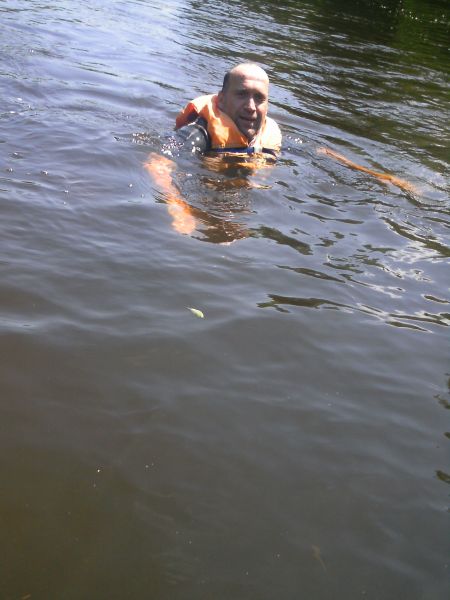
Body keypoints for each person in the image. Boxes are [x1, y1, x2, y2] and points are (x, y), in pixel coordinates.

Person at [145, 62, 416, 236]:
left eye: (259, 98)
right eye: (242, 94)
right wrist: (178, 207)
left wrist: (381, 177)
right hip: (208, 198)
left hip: (242, 209)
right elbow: (157, 163)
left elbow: (321, 152)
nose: (251, 107)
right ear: (222, 99)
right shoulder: (199, 133)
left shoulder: (269, 136)